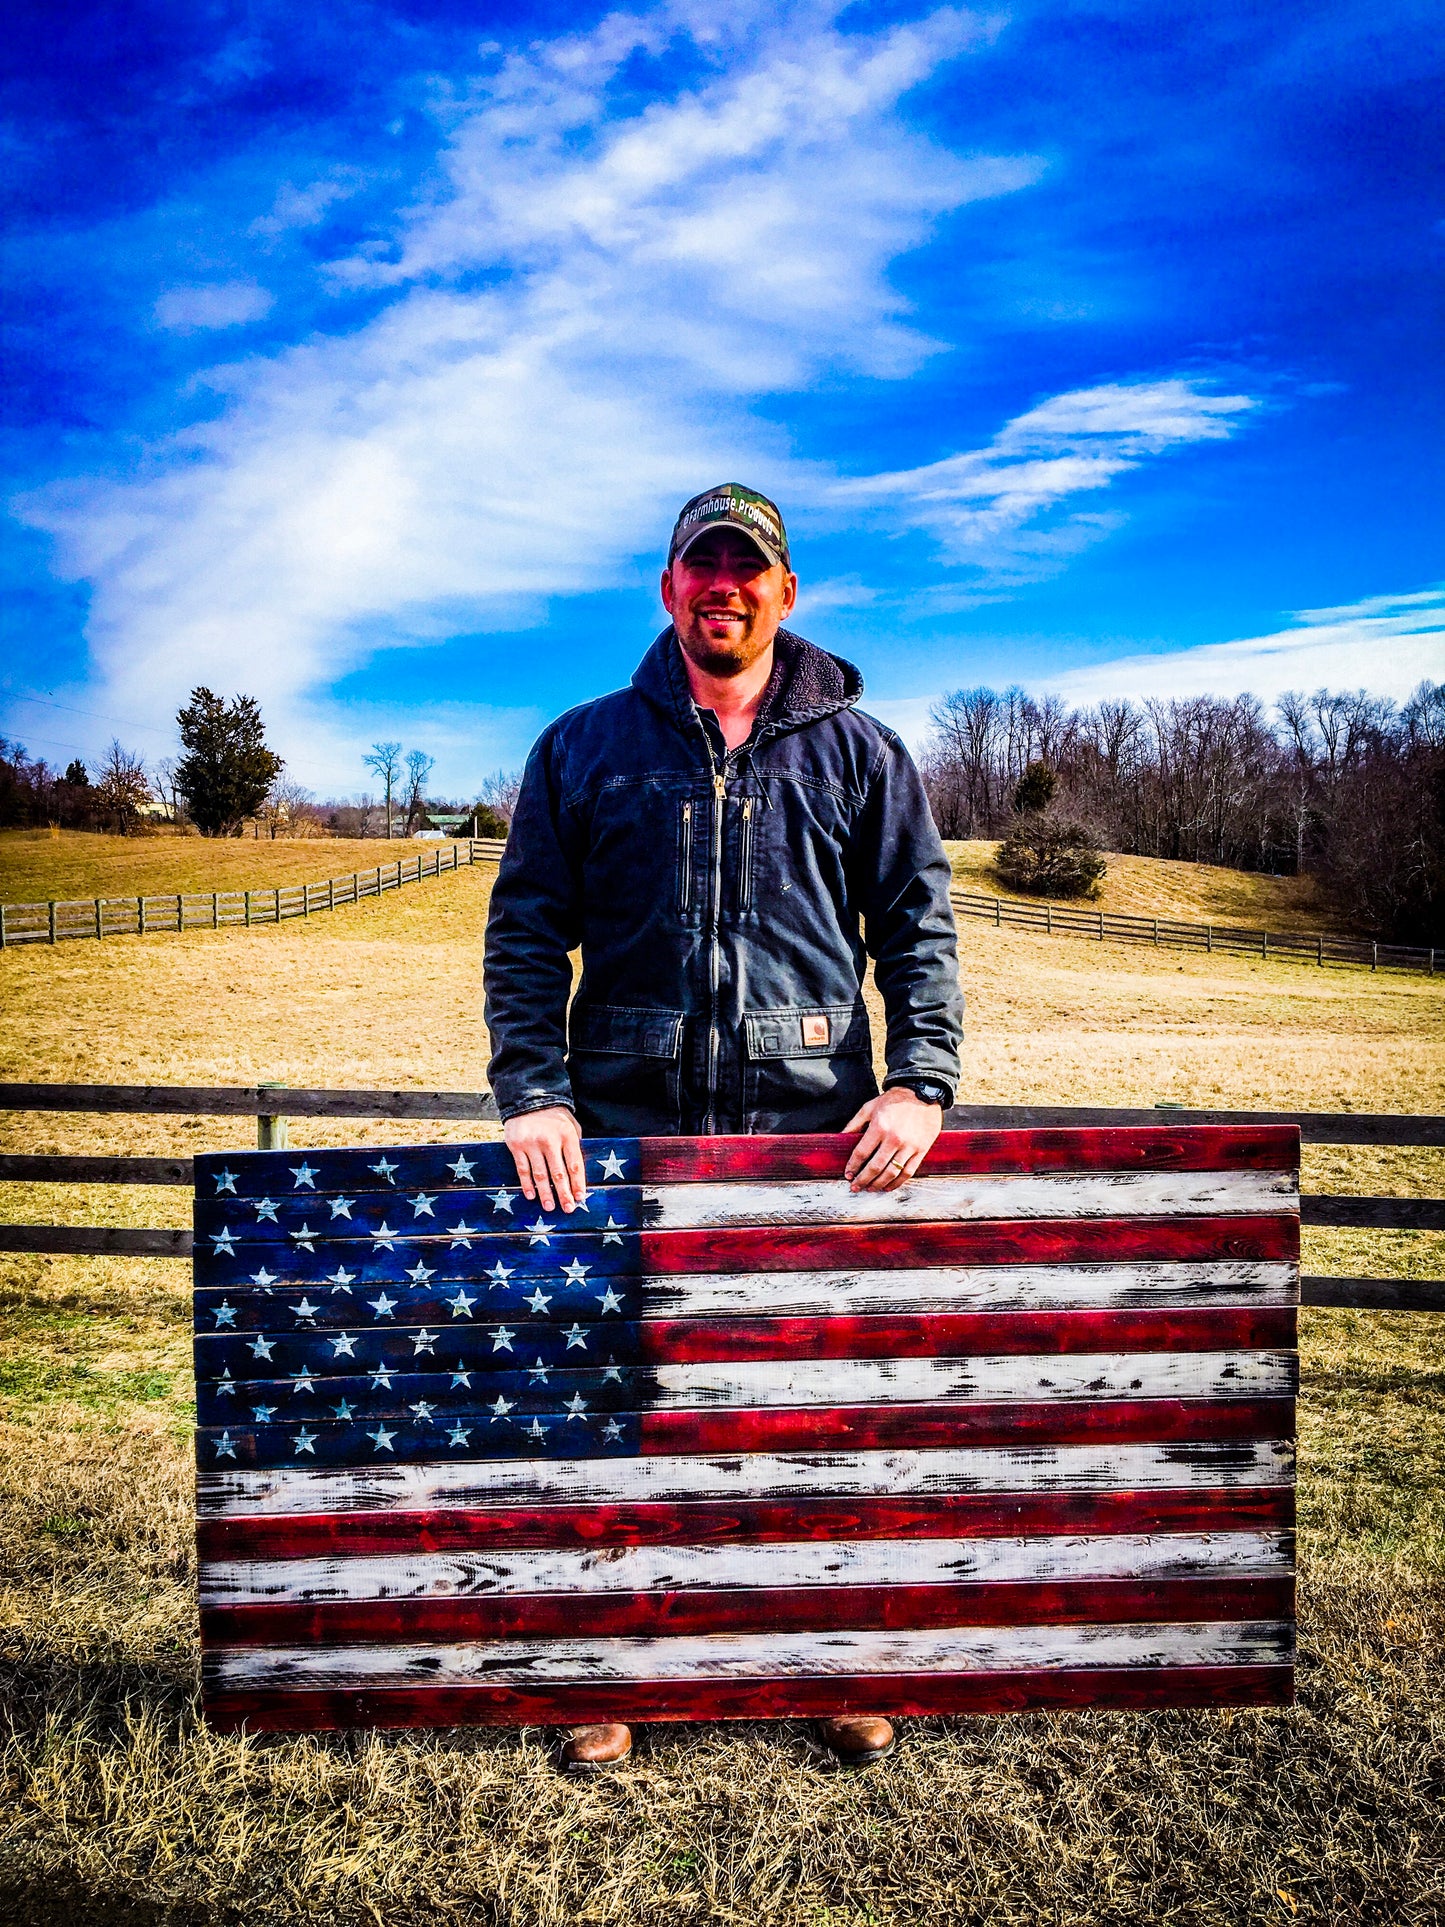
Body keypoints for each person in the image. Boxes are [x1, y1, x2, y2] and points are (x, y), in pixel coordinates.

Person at [484, 482, 964, 1772]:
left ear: (786, 592)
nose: (726, 587)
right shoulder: (583, 748)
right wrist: (536, 1094)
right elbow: (526, 929)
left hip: (814, 1132)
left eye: (750, 570)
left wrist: (920, 1082)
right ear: (669, 588)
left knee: (809, 1403)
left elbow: (918, 928)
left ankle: (837, 1658)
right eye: (704, 566)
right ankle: (614, 1669)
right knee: (622, 1403)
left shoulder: (862, 754)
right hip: (628, 1129)